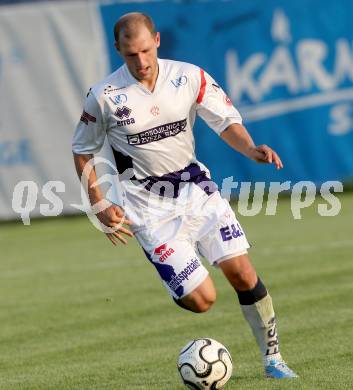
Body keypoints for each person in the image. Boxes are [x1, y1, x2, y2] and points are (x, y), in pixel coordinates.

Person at [72, 12, 297, 379]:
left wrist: (252, 148)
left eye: (146, 50)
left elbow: (224, 121)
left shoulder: (189, 76)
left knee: (241, 272)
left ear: (157, 40)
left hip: (196, 190)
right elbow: (82, 150)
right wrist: (98, 203)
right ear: (118, 50)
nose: (141, 62)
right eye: (131, 54)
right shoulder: (103, 96)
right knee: (202, 301)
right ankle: (175, 270)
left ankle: (274, 360)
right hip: (148, 208)